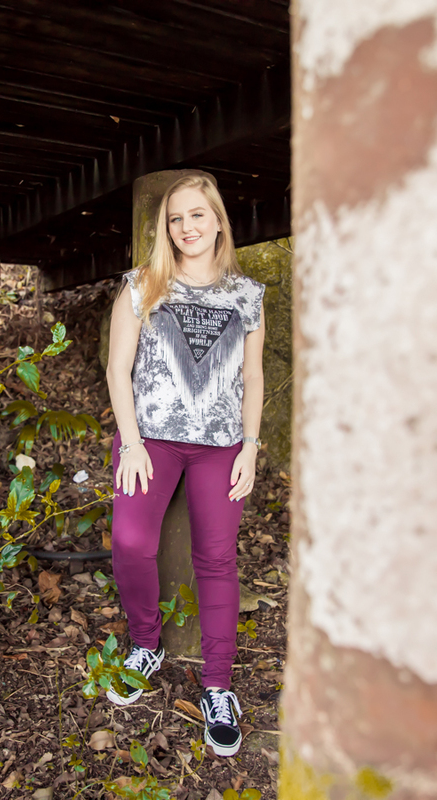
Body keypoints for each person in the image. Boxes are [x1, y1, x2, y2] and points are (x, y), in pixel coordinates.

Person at [105, 171, 265, 758]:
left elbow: (253, 375)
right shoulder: (143, 284)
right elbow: (117, 369)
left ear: (218, 220)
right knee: (130, 543)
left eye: (198, 215)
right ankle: (146, 643)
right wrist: (133, 443)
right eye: (175, 218)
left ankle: (218, 687)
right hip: (152, 440)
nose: (186, 227)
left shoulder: (246, 295)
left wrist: (249, 445)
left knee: (217, 560)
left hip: (222, 446)